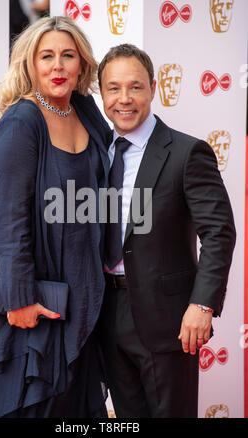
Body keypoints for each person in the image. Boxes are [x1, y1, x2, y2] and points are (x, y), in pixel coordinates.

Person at [0, 16, 111, 418]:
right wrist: (18, 298)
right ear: (30, 64)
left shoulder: (86, 111)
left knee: (68, 404)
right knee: (23, 401)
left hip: (74, 284)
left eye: (68, 55)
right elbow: (7, 219)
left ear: (82, 65)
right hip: (27, 289)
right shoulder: (22, 122)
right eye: (47, 56)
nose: (58, 66)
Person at [97, 44, 236, 418]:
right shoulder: (96, 154)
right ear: (101, 93)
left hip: (170, 319)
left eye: (135, 87)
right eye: (114, 88)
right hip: (106, 314)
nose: (124, 99)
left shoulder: (188, 153)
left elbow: (219, 232)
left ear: (154, 89)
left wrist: (201, 304)